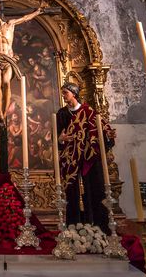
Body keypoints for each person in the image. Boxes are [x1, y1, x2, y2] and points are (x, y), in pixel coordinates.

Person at [56, 82, 116, 231]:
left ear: (74, 94)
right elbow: (56, 136)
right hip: (70, 158)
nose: (63, 96)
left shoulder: (88, 111)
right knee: (72, 191)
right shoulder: (62, 114)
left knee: (93, 188)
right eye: (63, 93)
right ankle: (73, 225)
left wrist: (108, 135)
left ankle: (96, 225)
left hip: (88, 156)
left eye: (65, 93)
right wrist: (60, 139)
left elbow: (101, 129)